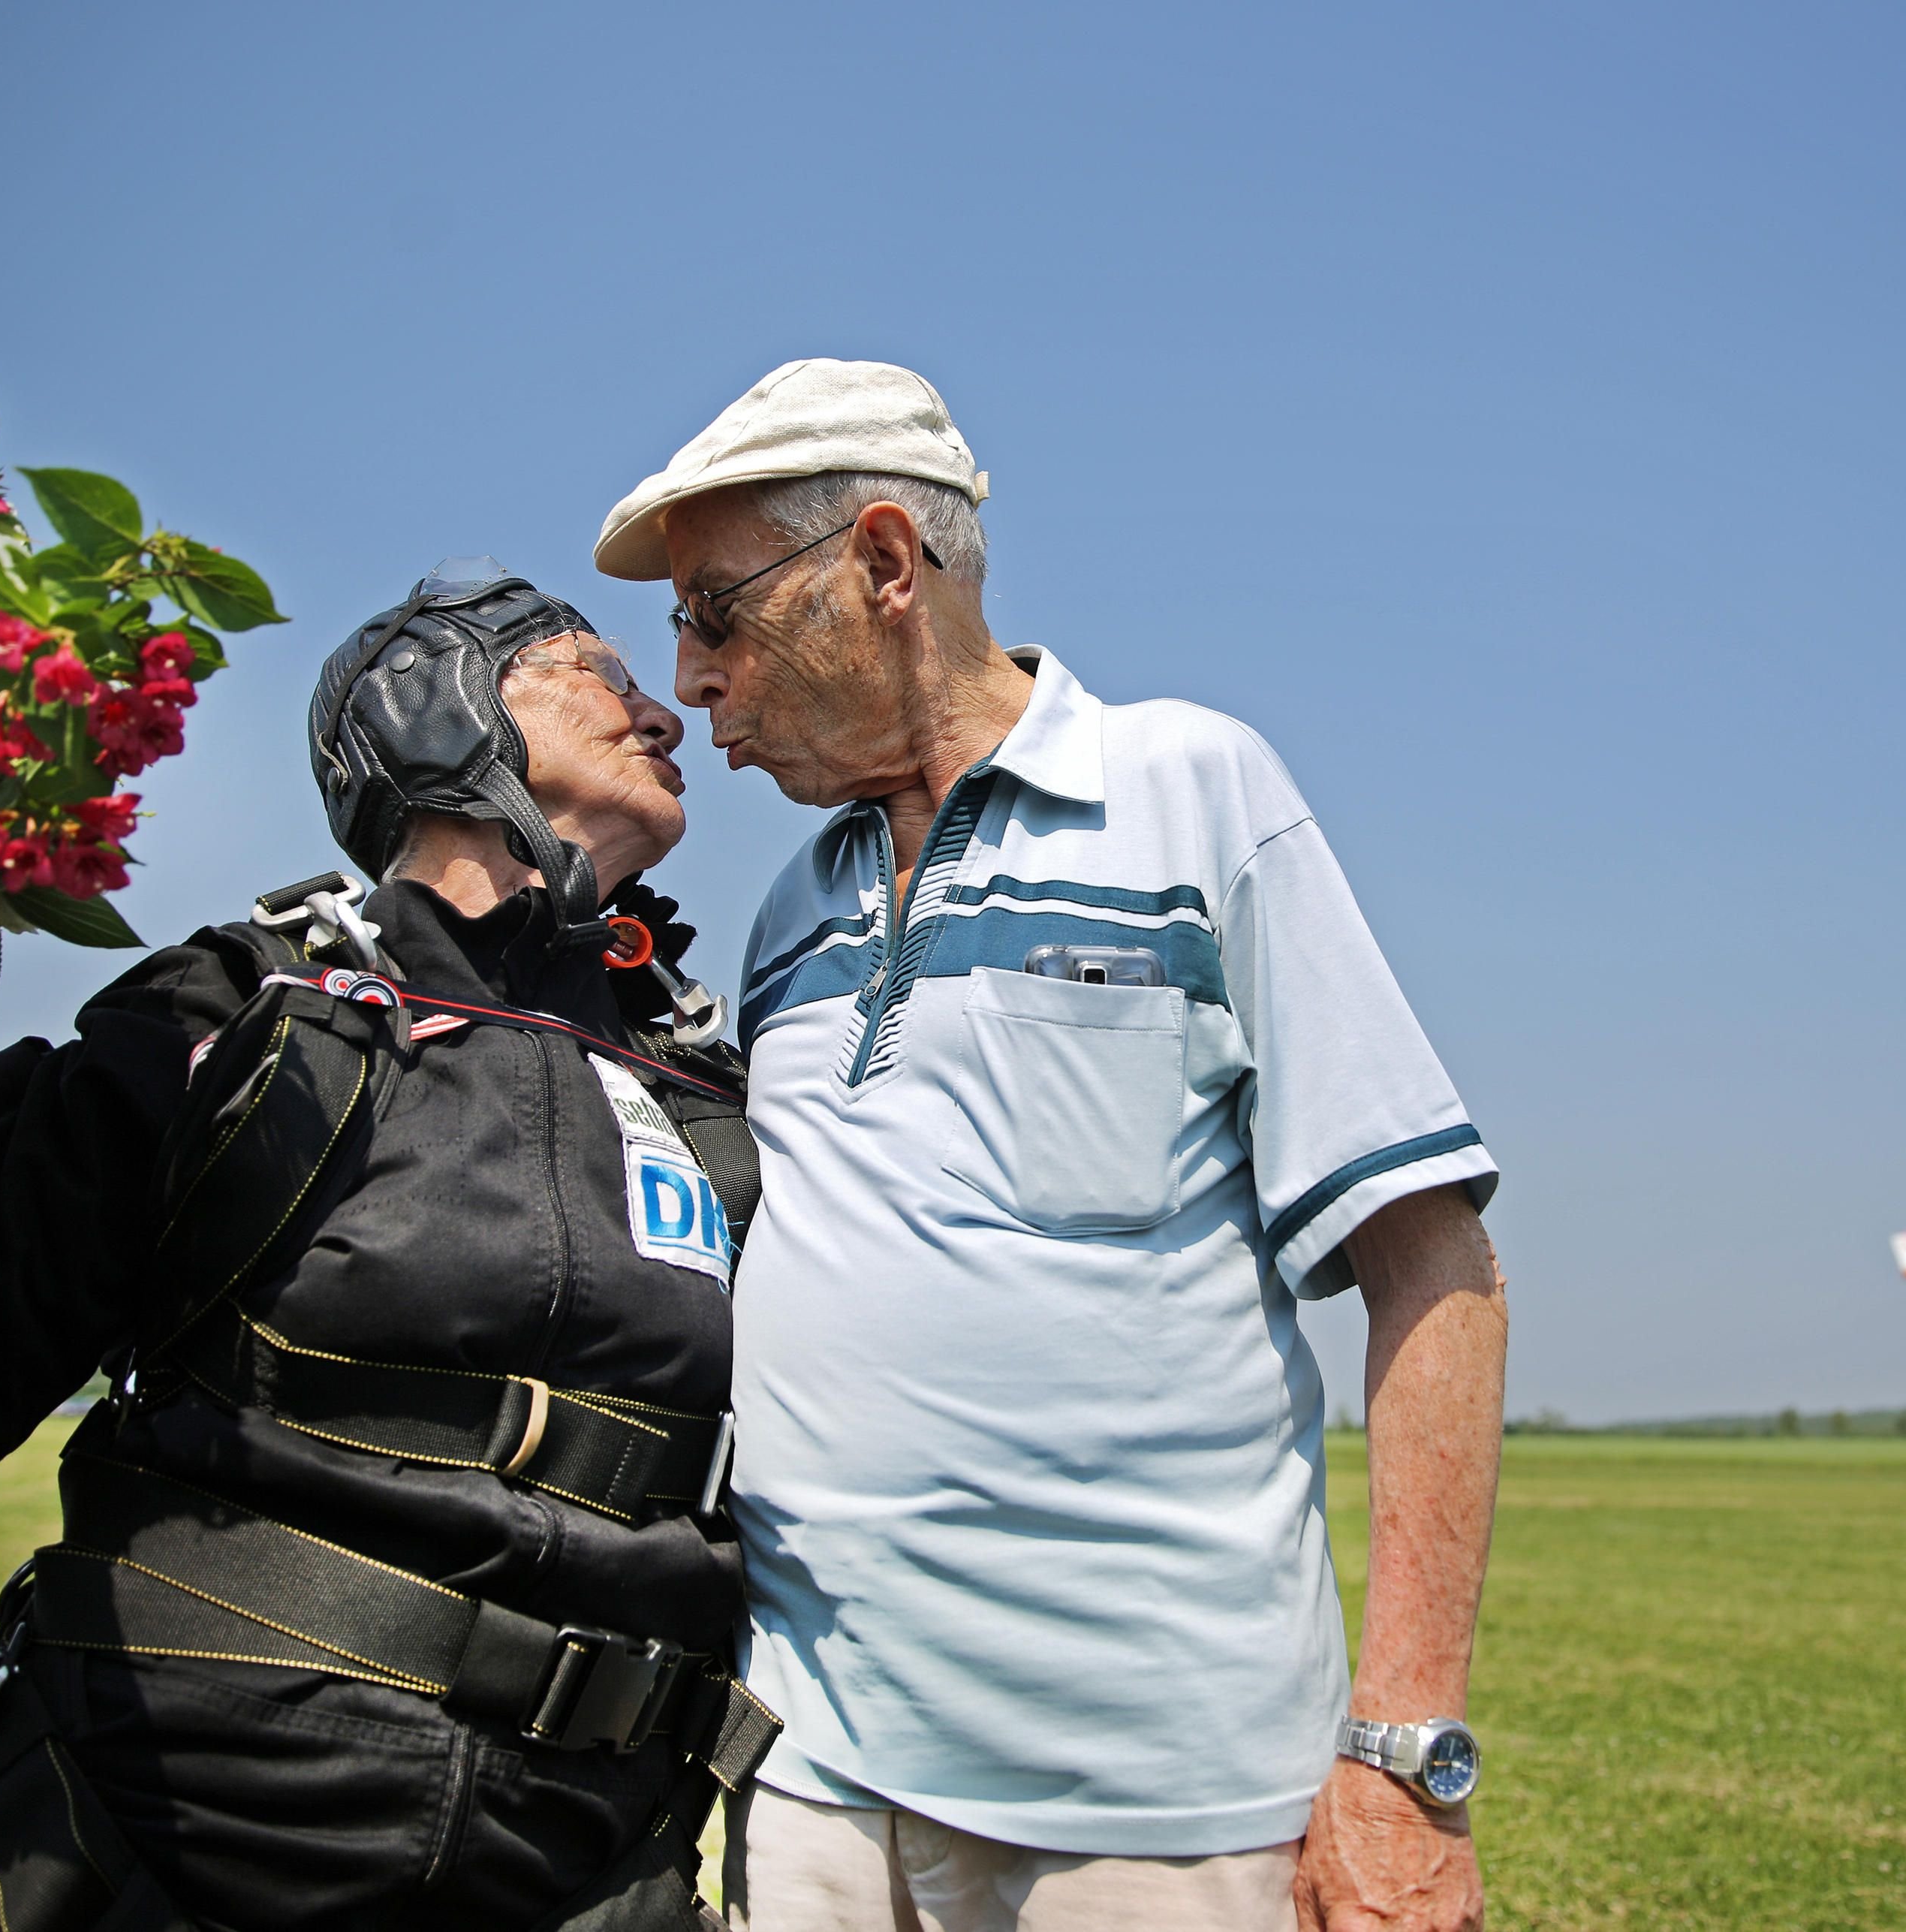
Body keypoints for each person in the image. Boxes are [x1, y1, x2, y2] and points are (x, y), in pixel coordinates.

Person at [0, 562, 773, 1932]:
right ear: (439, 704)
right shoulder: (245, 1014)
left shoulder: (713, 1087)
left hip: (593, 1868)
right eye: (602, 671)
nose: (662, 711)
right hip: (165, 1840)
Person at [592, 361, 1510, 1932]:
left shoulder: (1189, 791)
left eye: (715, 613)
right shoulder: (789, 905)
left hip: (1153, 1811)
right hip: (808, 1784)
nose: (687, 678)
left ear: (885, 565)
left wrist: (1403, 1754)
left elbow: (1434, 1267)